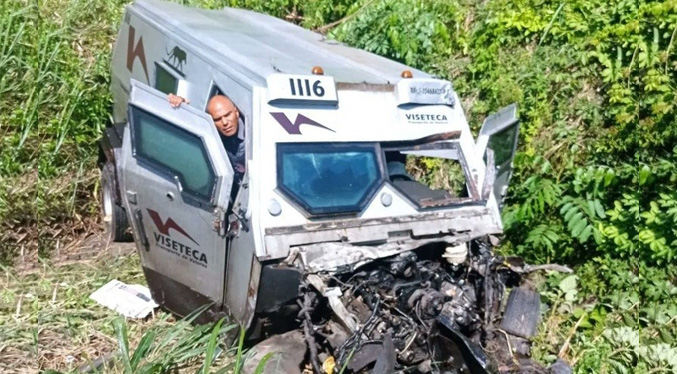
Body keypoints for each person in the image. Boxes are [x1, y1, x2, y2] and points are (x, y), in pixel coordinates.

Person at [168, 93, 245, 203]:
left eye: (227, 115)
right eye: (218, 119)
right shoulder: (213, 133)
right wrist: (180, 107)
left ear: (236, 112)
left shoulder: (251, 135)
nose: (224, 123)